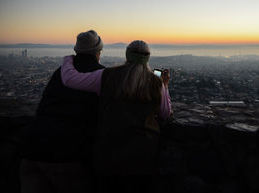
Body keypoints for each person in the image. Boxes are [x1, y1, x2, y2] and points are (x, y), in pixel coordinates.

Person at [60, 40, 172, 193]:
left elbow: (70, 79)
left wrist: (68, 59)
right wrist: (165, 86)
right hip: (143, 154)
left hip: (109, 152)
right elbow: (165, 113)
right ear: (147, 58)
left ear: (127, 54)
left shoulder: (107, 76)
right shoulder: (155, 82)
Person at [20, 30, 105, 193]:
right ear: (98, 52)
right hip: (66, 155)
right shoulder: (101, 75)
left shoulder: (60, 72)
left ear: (77, 50)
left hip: (32, 150)